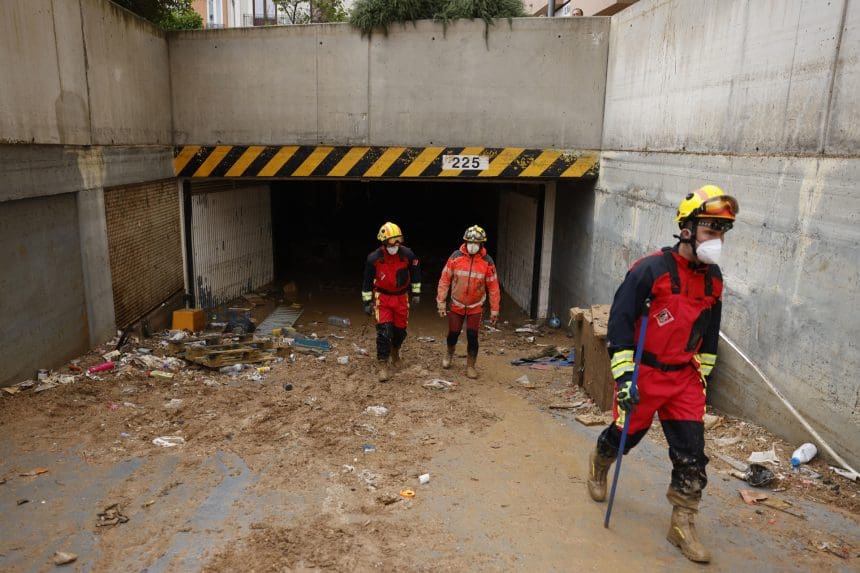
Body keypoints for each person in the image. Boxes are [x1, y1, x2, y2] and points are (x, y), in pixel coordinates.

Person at [585, 185, 739, 563]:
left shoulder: (714, 279)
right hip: (646, 374)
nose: (716, 239)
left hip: (684, 379)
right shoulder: (649, 270)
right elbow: (620, 324)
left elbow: (709, 330)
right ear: (686, 229)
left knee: (691, 454)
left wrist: (702, 375)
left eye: (721, 232)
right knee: (627, 437)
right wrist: (624, 379)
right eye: (709, 230)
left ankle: (682, 524)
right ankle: (600, 461)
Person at [436, 225, 501, 379]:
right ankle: (449, 353)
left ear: (481, 245)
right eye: (470, 243)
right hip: (457, 304)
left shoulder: (487, 262)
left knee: (472, 335)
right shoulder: (455, 257)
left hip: (475, 306)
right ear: (465, 242)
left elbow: (493, 287)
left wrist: (495, 309)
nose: (472, 246)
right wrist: (441, 302)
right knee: (453, 333)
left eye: (476, 243)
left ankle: (471, 366)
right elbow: (445, 280)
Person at [361, 222, 421, 382]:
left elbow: (415, 274)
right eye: (391, 242)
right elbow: (367, 282)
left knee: (400, 332)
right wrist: (367, 302)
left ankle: (395, 351)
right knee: (384, 332)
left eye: (397, 241)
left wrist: (416, 293)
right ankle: (383, 364)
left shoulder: (408, 255)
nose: (395, 245)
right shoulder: (374, 258)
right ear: (384, 242)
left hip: (401, 298)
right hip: (383, 299)